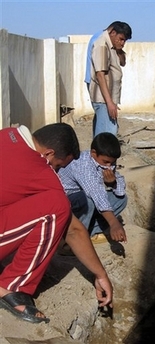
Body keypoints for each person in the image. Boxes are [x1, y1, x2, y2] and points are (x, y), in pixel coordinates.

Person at [0, 123, 113, 324]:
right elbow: (74, 230)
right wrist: (100, 274)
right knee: (57, 205)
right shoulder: (40, 171)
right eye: (58, 166)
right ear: (48, 154)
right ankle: (12, 286)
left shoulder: (8, 134)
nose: (56, 172)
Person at [58, 132, 127, 245]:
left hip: (83, 199)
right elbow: (96, 193)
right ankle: (73, 241)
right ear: (94, 153)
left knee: (121, 199)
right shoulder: (82, 165)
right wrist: (114, 223)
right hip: (64, 202)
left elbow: (119, 181)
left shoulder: (105, 162)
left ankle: (87, 231)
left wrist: (113, 183)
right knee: (87, 200)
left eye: (113, 162)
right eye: (106, 162)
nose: (109, 166)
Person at [85, 21, 132, 138]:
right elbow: (100, 74)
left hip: (107, 97)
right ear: (113, 33)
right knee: (108, 134)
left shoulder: (112, 45)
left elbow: (122, 62)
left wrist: (119, 48)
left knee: (102, 131)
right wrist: (109, 103)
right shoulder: (101, 44)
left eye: (125, 40)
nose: (123, 43)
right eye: (121, 39)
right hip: (103, 98)